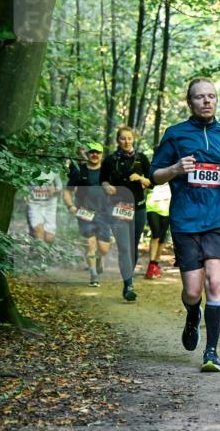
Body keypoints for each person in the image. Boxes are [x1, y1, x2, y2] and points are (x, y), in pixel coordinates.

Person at [150, 78, 220, 372]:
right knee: (192, 291)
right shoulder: (175, 135)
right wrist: (175, 169)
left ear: (216, 101)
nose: (207, 101)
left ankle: (211, 352)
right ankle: (193, 314)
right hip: (186, 220)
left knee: (214, 283)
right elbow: (154, 175)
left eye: (211, 97)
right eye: (200, 97)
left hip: (219, 219)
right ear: (190, 102)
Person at [101, 126, 151, 301]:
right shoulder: (109, 160)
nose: (126, 141)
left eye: (129, 138)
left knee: (133, 247)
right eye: (123, 138)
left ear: (133, 139)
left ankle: (127, 280)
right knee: (124, 247)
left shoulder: (141, 159)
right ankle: (129, 284)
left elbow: (152, 182)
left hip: (138, 208)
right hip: (118, 208)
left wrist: (141, 179)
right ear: (118, 140)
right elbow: (103, 180)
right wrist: (107, 187)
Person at [63, 143, 112, 287]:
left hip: (104, 213)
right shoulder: (79, 171)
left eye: (98, 152)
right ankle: (93, 275)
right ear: (87, 154)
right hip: (85, 213)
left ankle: (99, 259)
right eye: (92, 152)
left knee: (103, 249)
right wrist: (70, 205)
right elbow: (67, 191)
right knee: (90, 244)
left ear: (102, 155)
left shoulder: (107, 171)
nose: (94, 155)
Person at [26, 169, 64, 244]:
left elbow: (60, 187)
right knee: (38, 232)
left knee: (49, 238)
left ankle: (44, 252)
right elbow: (22, 185)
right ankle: (39, 253)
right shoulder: (29, 168)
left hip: (50, 206)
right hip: (35, 205)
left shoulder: (54, 170)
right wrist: (26, 194)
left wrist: (55, 190)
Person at [144, 180, 171, 278]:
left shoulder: (172, 171)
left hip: (167, 207)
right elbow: (146, 184)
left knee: (162, 238)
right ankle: (151, 265)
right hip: (152, 206)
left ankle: (156, 263)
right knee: (156, 235)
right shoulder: (153, 170)